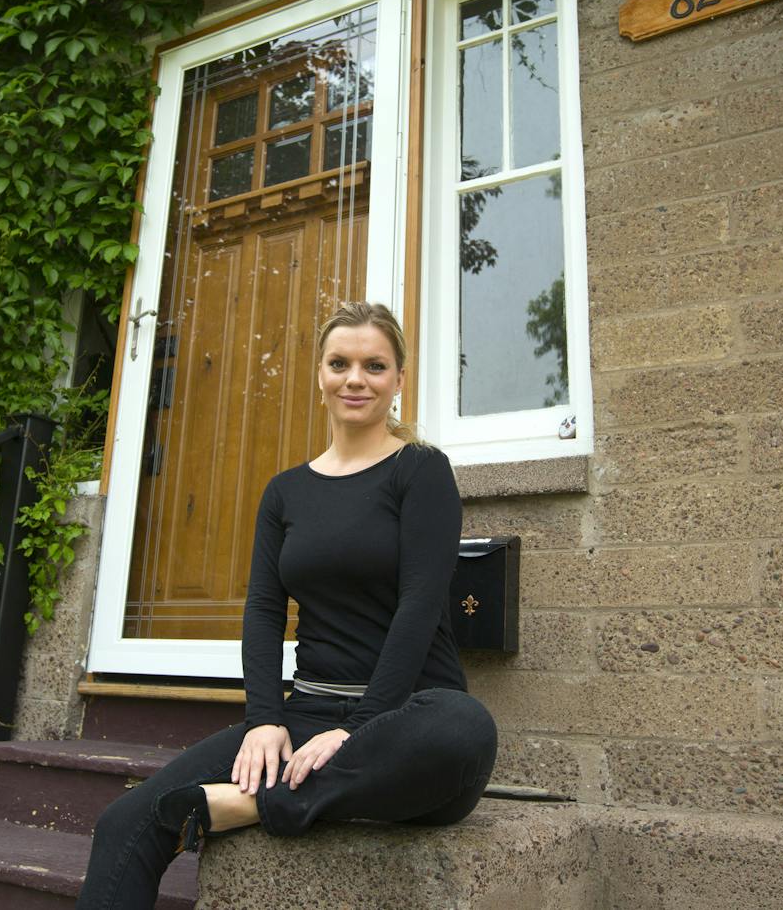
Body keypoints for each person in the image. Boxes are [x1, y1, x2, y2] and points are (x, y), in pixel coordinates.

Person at [75, 300, 497, 909]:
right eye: (340, 363)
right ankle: (283, 784)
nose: (356, 379)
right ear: (320, 374)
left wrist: (356, 732)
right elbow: (265, 612)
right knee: (126, 822)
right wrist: (266, 719)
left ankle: (254, 804)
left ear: (399, 380)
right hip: (308, 714)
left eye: (375, 366)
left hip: (402, 725)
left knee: (465, 727)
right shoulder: (286, 492)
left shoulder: (421, 470)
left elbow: (421, 604)